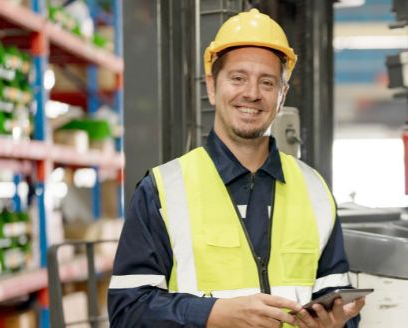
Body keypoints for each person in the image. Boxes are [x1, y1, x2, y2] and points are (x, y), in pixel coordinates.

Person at [108, 9, 364, 328]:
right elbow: (127, 311)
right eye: (238, 78)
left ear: (281, 96)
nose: (252, 93)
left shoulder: (315, 190)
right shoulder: (161, 190)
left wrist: (337, 323)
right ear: (213, 86)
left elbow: (336, 296)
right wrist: (214, 314)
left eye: (267, 82)